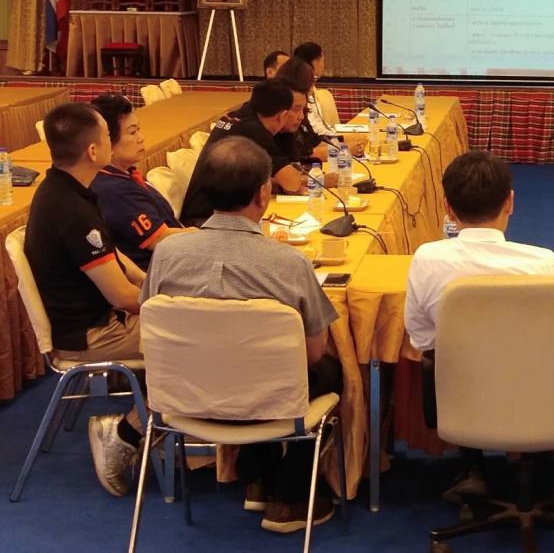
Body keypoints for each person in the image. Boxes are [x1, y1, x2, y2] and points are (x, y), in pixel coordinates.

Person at [142, 136, 342, 532]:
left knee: (244, 365)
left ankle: (257, 477)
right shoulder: (289, 263)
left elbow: (153, 323)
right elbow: (312, 352)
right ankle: (289, 497)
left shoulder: (167, 253)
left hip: (187, 395)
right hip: (266, 400)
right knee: (326, 371)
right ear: (264, 193)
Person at [403, 150, 554, 498]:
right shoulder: (543, 263)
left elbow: (421, 340)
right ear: (510, 202)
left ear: (448, 209)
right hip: (542, 391)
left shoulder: (426, 259)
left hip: (463, 392)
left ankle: (475, 467)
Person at [24, 103, 149, 497]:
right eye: (109, 136)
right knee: (195, 341)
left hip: (99, 320)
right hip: (92, 334)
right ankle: (124, 434)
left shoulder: (66, 188)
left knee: (192, 328)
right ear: (94, 151)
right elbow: (123, 297)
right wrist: (173, 302)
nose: (113, 141)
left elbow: (117, 259)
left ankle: (172, 436)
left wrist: (156, 283)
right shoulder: (71, 210)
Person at [180, 79, 306, 226]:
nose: (301, 116)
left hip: (211, 212)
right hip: (206, 219)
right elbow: (292, 183)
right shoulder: (254, 131)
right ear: (282, 115)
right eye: (295, 110)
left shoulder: (238, 116)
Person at [90, 94, 191, 270]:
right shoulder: (113, 190)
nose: (141, 138)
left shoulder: (124, 174)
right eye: (132, 132)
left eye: (139, 129)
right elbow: (161, 240)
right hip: (161, 271)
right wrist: (207, 237)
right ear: (106, 140)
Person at [292, 42, 334, 139]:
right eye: (322, 61)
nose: (324, 65)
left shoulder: (311, 85)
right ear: (315, 62)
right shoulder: (302, 88)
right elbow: (314, 128)